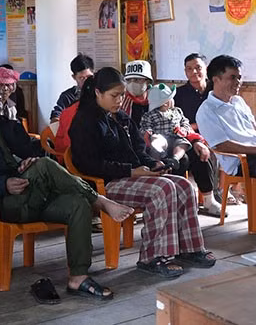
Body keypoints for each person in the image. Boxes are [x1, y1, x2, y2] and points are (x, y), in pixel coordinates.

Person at [0, 78, 136, 299]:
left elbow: (38, 151)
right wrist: (2, 184)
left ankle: (78, 278)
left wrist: (28, 160)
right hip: (7, 202)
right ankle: (101, 201)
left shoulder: (9, 127)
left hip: (36, 193)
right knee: (45, 166)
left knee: (77, 204)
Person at [69, 67, 215, 278]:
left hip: (131, 176)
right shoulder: (85, 121)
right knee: (162, 189)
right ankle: (152, 257)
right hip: (104, 184)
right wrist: (130, 171)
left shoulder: (120, 118)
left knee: (184, 186)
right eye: (114, 95)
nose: (119, 100)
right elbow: (87, 164)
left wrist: (153, 164)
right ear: (97, 93)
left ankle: (189, 248)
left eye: (121, 95)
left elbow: (138, 150)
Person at [196, 55, 256, 234]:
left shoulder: (238, 102)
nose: (238, 82)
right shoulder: (206, 111)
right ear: (216, 79)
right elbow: (223, 145)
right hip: (242, 159)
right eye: (232, 77)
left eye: (239, 77)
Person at [141, 84, 222, 216]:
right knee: (180, 160)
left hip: (179, 139)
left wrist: (187, 133)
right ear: (165, 103)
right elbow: (144, 129)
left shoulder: (177, 111)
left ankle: (208, 199)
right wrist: (151, 135)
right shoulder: (150, 115)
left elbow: (186, 124)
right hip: (161, 143)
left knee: (199, 154)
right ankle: (176, 200)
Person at [51, 53, 94, 122]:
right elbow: (56, 116)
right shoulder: (67, 96)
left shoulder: (100, 93)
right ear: (74, 77)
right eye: (82, 78)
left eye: (89, 77)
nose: (86, 81)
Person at [174, 53, 209, 131]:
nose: (194, 71)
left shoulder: (216, 90)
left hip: (217, 134)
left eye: (198, 67)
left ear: (206, 69)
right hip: (188, 136)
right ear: (185, 71)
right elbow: (173, 122)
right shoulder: (177, 94)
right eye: (189, 68)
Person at [121, 60, 152, 126]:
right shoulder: (121, 103)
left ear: (148, 81)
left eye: (137, 79)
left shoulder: (156, 100)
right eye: (128, 80)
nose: (132, 83)